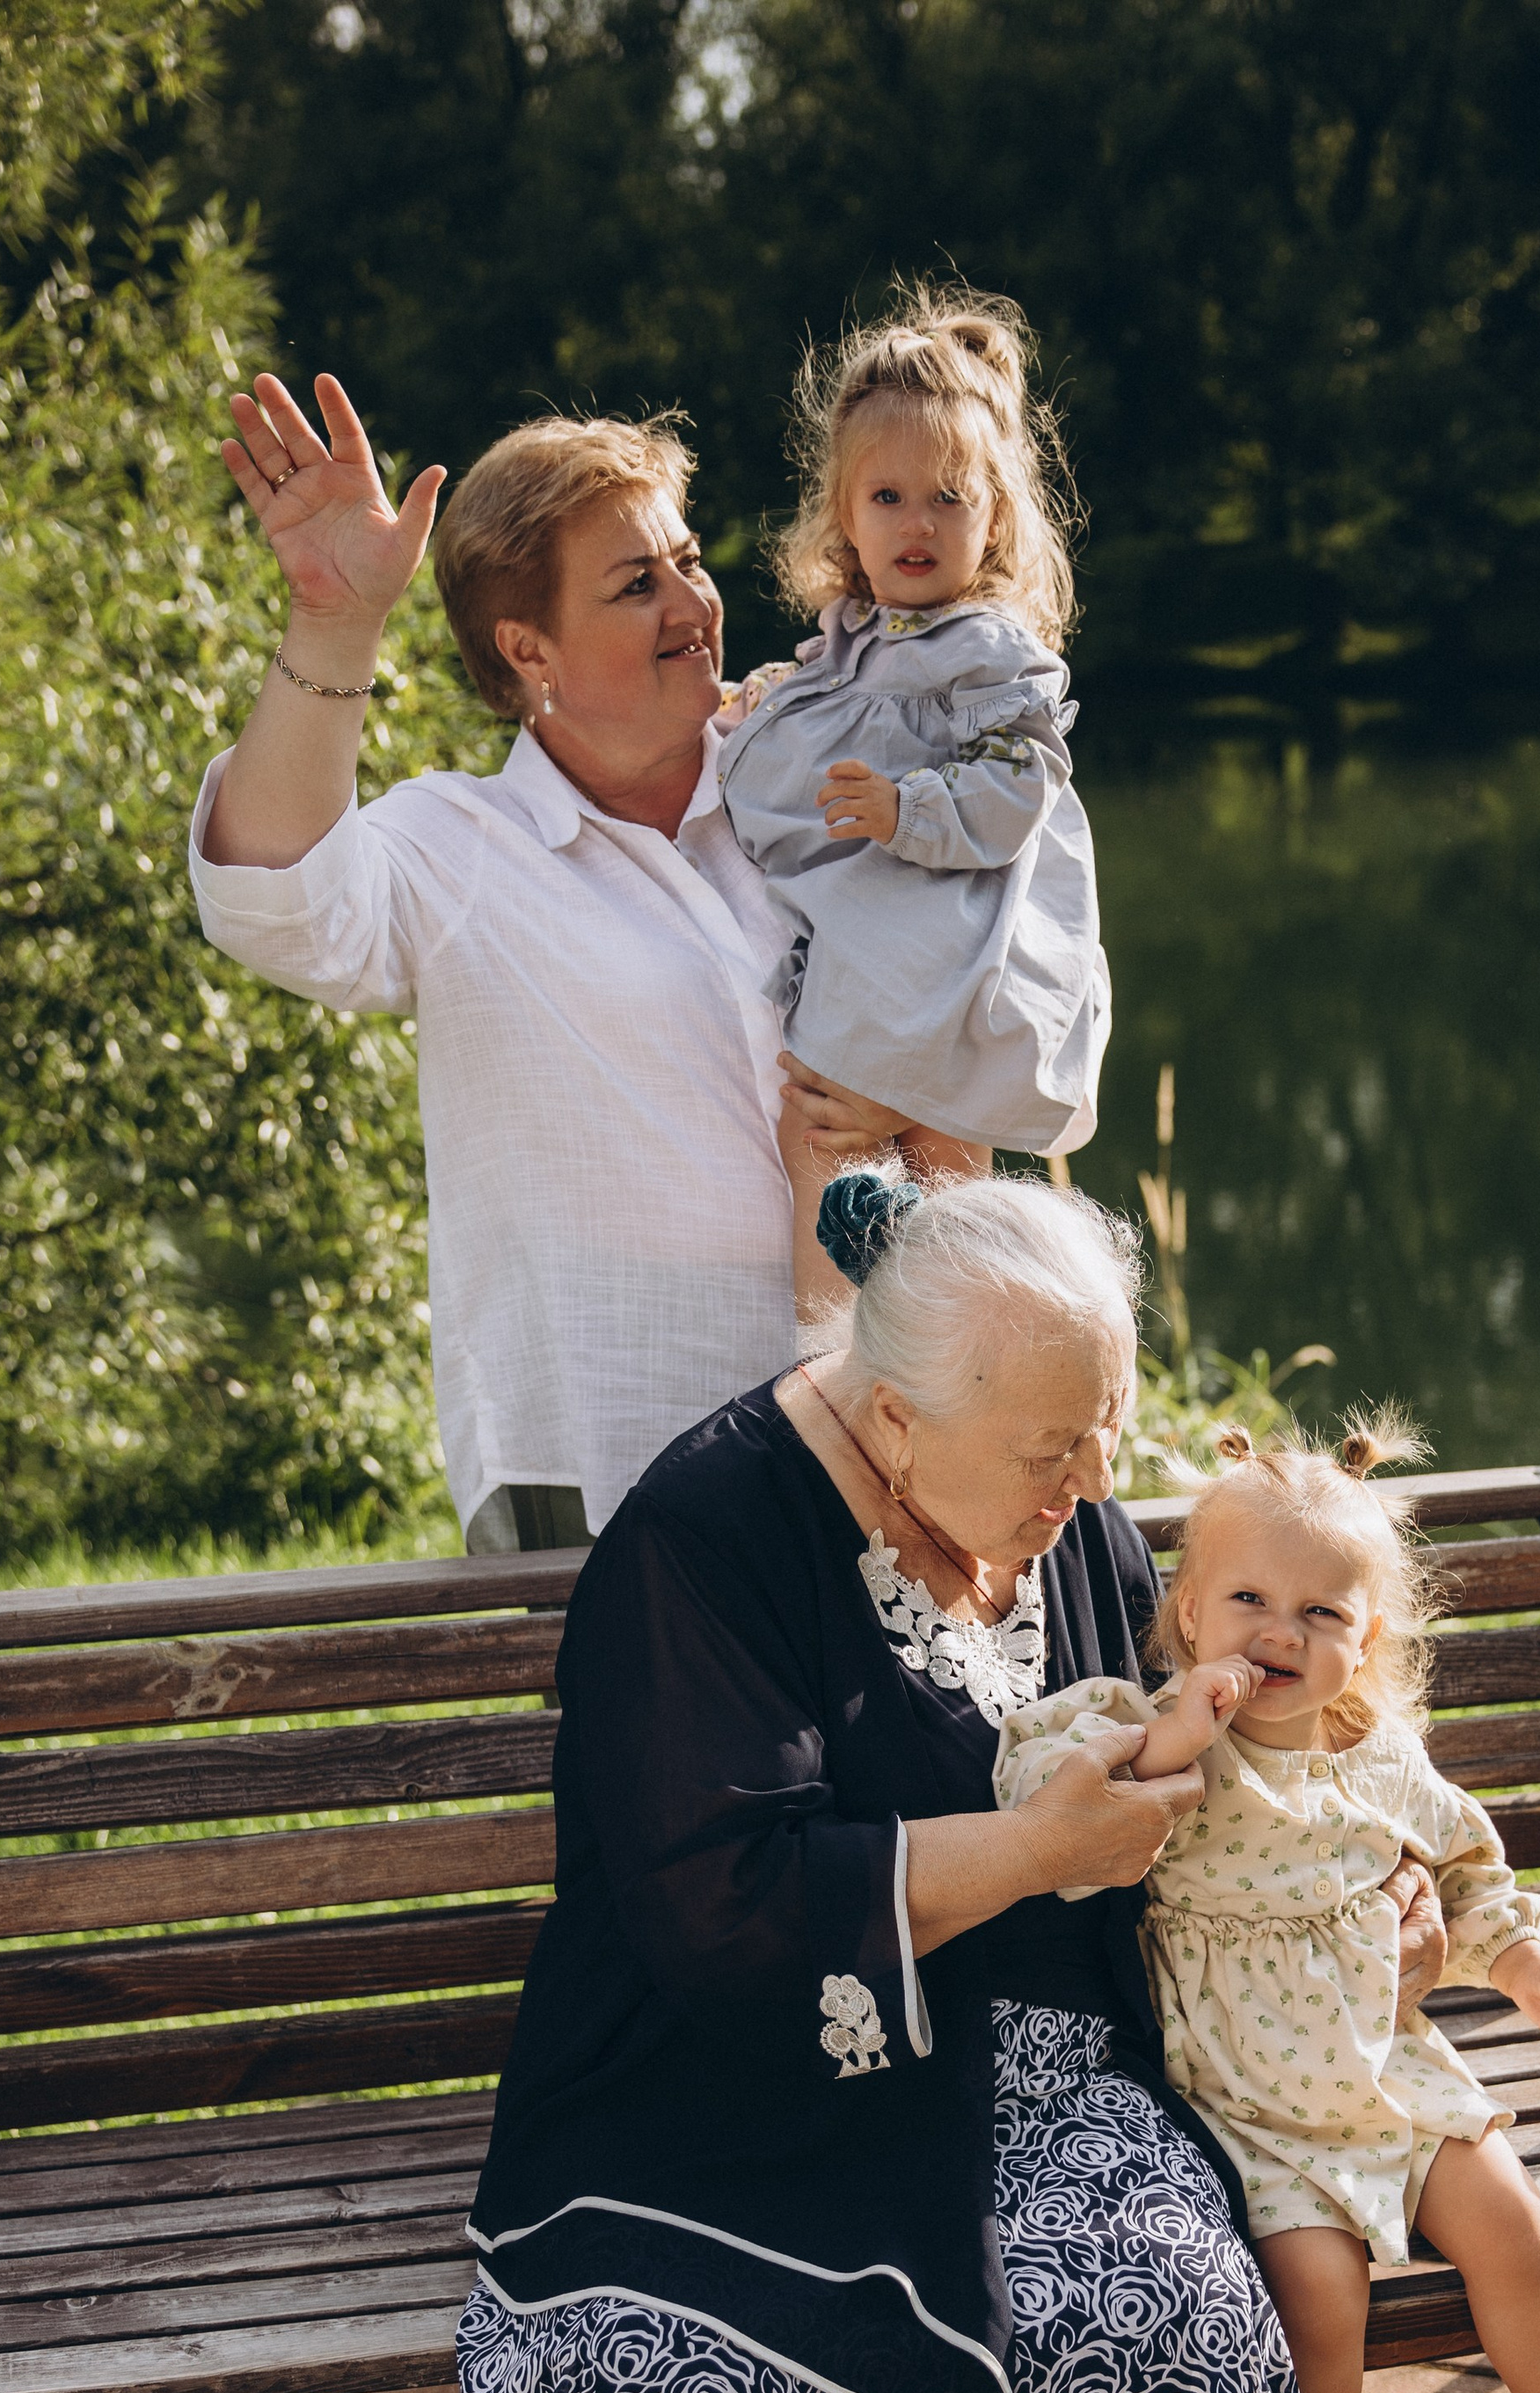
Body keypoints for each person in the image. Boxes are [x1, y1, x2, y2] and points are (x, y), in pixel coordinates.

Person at [455, 1173, 1445, 2393]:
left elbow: (1223, 1767)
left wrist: (1372, 1889)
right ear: (892, 1415)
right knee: (662, 2376)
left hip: (1029, 2048)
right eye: (1053, 1446)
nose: (1094, 1488)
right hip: (721, 2074)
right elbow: (707, 1903)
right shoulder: (702, 1535)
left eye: (1105, 1433)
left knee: (1171, 2312)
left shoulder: (1062, 1517)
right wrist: (1031, 1853)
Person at [188, 372, 991, 1552]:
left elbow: (992, 995)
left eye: (687, 561)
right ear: (529, 651)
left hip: (898, 1437)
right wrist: (334, 623)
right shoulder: (463, 848)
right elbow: (273, 900)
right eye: (634, 584)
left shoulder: (827, 778)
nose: (691, 604)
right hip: (609, 1462)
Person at [993, 1415, 1540, 2393]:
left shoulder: (1380, 1758)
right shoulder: (1155, 1732)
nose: (1280, 1633)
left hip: (1394, 2073)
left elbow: (1469, 1872)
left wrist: (1526, 1973)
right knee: (1319, 2309)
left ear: (1364, 1640)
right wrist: (1180, 1723)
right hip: (1250, 2110)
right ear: (1187, 1611)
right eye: (1249, 1602)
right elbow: (1037, 1785)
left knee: (1522, 2237)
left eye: (1320, 1612)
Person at [716, 287, 1108, 1166]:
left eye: (949, 497)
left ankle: (941, 1255)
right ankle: (827, 1268)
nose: (917, 522)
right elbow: (833, 709)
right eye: (887, 496)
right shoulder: (848, 643)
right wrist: (763, 697)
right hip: (870, 981)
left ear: (994, 517)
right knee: (817, 1143)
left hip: (955, 975)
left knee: (942, 1179)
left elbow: (1021, 782)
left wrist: (909, 808)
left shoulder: (989, 653)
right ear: (846, 516)